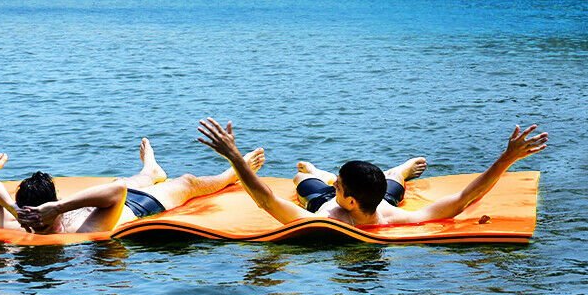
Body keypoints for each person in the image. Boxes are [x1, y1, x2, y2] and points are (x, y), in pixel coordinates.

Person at [196, 117, 547, 228]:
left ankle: (401, 169)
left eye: (338, 184)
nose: (335, 186)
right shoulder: (382, 208)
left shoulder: (336, 216)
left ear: (346, 197)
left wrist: (235, 157)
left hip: (342, 200)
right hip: (373, 195)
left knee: (303, 183)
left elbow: (264, 200)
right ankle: (317, 169)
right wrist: (505, 158)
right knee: (302, 175)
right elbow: (463, 198)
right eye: (335, 181)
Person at [0, 137, 266, 235]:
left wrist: (12, 209)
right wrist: (21, 210)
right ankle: (231, 173)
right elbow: (120, 196)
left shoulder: (15, 222)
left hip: (105, 198)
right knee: (187, 182)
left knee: (122, 180)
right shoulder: (81, 231)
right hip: (136, 204)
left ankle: (150, 169)